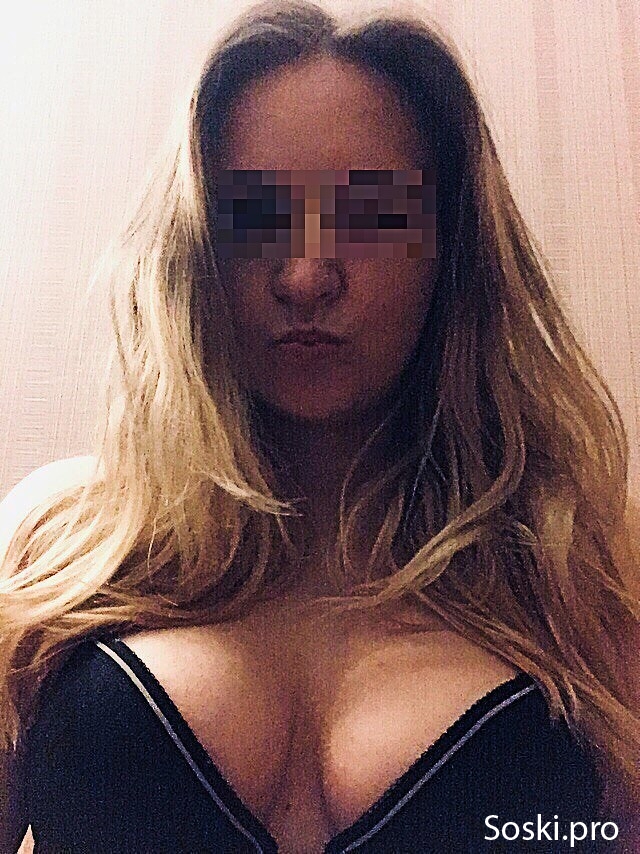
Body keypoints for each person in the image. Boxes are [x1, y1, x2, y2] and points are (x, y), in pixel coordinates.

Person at [1, 1, 639, 851]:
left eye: (369, 214)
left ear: (449, 248)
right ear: (196, 245)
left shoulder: (586, 566)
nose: (304, 277)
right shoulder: (59, 545)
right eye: (256, 213)